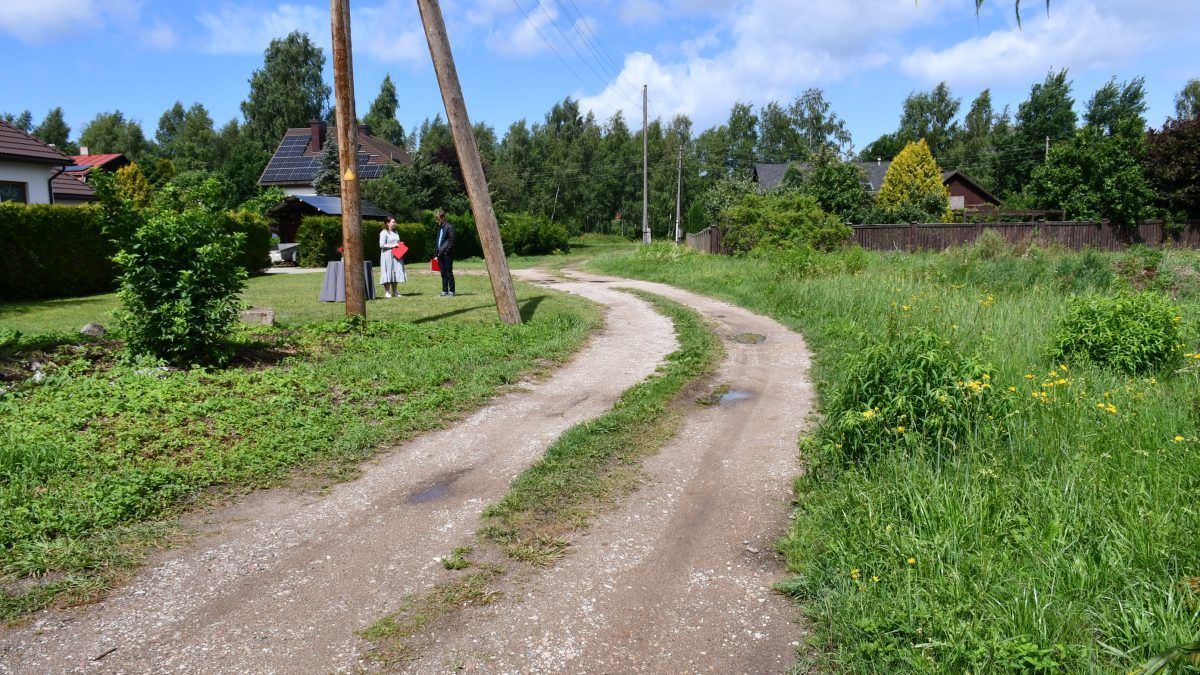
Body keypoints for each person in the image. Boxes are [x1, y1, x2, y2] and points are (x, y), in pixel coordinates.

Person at [378, 217, 406, 298]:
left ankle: (395, 292)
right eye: (393, 222)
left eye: (395, 222)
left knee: (395, 272)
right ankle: (387, 292)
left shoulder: (396, 232)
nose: (395, 223)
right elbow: (381, 245)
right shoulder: (384, 232)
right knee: (387, 272)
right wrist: (393, 245)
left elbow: (397, 242)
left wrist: (400, 244)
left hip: (396, 255)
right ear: (388, 223)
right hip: (387, 256)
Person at [434, 209, 456, 297]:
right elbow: (438, 241)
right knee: (443, 273)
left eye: (438, 219)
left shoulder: (449, 227)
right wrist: (436, 254)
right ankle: (444, 291)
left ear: (443, 218)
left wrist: (447, 251)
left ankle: (452, 291)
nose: (437, 221)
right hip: (440, 254)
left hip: (447, 254)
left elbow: (452, 240)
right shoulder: (439, 227)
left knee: (449, 272)